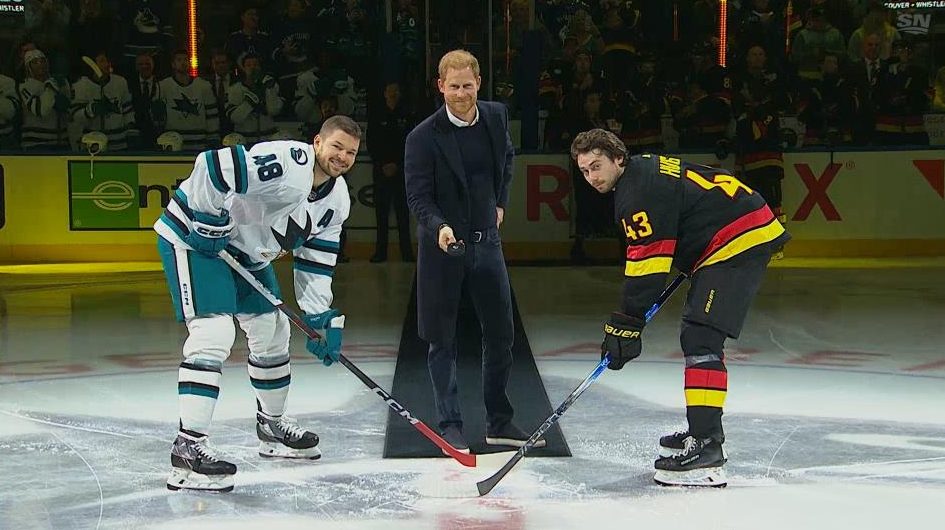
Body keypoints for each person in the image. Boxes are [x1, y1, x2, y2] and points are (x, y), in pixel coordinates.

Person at [153, 115, 362, 492]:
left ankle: (271, 426)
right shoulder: (288, 163)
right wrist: (206, 217)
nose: (342, 157)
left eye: (350, 152)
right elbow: (213, 165)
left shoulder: (338, 199)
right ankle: (187, 450)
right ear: (317, 142)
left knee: (273, 331)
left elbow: (317, 259)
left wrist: (318, 317)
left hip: (247, 256)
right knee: (213, 334)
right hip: (194, 242)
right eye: (336, 147)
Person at [570, 128, 789, 487]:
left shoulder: (635, 193)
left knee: (701, 337)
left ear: (618, 158)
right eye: (584, 171)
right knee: (697, 335)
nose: (592, 177)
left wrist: (625, 323)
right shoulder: (642, 171)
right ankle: (701, 429)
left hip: (737, 240)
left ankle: (707, 447)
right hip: (734, 231)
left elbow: (647, 268)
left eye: (597, 166)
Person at [404, 49, 543, 452]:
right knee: (441, 340)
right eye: (453, 87)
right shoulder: (422, 137)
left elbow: (508, 160)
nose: (461, 94)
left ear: (478, 83)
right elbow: (418, 198)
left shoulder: (496, 116)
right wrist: (439, 228)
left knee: (501, 334)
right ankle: (449, 424)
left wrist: (500, 203)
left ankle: (499, 420)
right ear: (440, 86)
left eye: (467, 86)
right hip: (443, 249)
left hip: (487, 246)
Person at [368, 81, 414, 262]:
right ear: (385, 93)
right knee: (381, 214)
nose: (393, 94)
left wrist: (398, 164)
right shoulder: (377, 115)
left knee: (403, 214)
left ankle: (407, 252)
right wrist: (382, 164)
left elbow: (410, 143)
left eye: (396, 91)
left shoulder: (406, 115)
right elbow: (372, 143)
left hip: (401, 172)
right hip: (381, 171)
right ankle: (381, 252)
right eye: (390, 90)